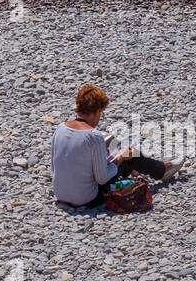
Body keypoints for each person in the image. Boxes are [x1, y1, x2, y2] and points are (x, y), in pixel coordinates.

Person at [51, 84, 183, 208]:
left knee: (117, 153)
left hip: (61, 195)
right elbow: (102, 179)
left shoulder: (60, 128)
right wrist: (120, 158)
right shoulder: (93, 135)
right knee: (129, 154)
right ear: (97, 111)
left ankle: (135, 170)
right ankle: (162, 170)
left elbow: (54, 166)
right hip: (87, 199)